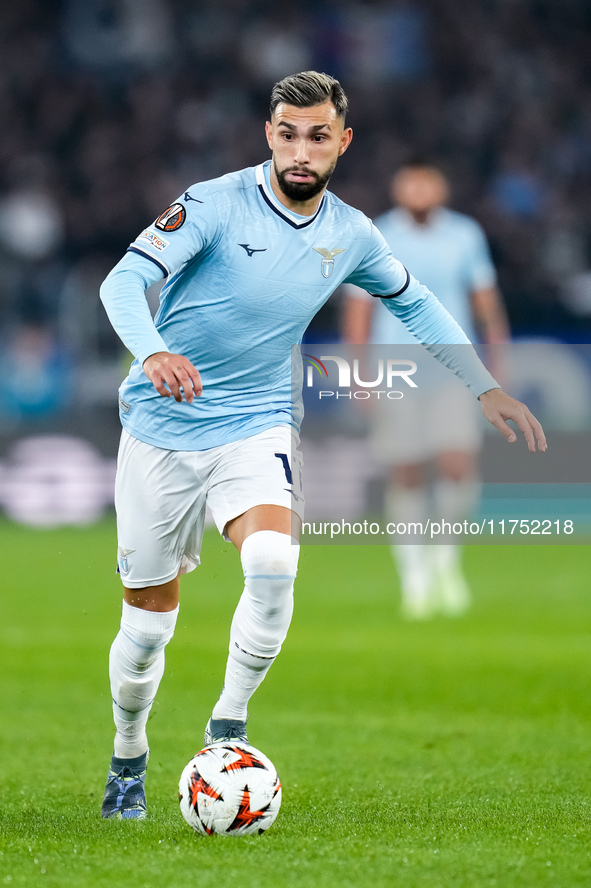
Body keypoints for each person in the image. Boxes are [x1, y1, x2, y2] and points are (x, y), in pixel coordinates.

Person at [98, 71, 545, 820]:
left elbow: (416, 301)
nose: (300, 149)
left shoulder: (352, 232)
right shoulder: (212, 202)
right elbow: (121, 283)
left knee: (273, 562)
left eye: (317, 135)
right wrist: (150, 353)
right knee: (145, 630)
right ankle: (128, 754)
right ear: (269, 135)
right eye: (287, 132)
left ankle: (227, 728)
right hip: (161, 427)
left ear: (342, 141)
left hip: (258, 420)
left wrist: (481, 385)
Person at [343, 161, 510, 619]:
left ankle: (446, 558)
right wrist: (359, 374)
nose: (418, 188)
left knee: (458, 461)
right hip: (394, 369)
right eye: (410, 180)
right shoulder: (376, 233)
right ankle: (413, 575)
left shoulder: (464, 235)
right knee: (407, 472)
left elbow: (485, 302)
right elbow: (359, 307)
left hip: (453, 366)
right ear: (399, 187)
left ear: (441, 186)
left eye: (426, 180)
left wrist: (497, 363)